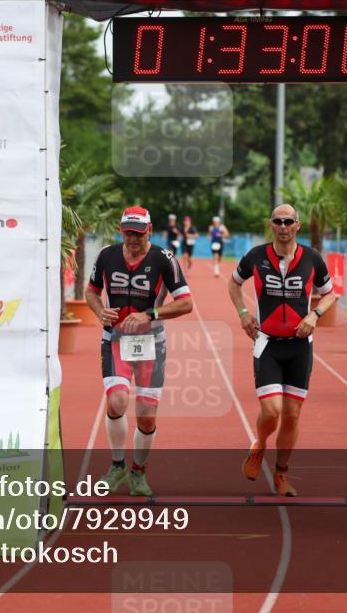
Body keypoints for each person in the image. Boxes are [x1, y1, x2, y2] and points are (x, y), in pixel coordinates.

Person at [228, 205, 337, 496]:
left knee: (291, 415)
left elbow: (330, 294)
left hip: (300, 347)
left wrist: (314, 315)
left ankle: (281, 473)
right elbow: (233, 284)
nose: (283, 226)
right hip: (268, 344)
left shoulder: (312, 258)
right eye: (278, 221)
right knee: (272, 410)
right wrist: (243, 313)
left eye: (289, 221)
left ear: (297, 225)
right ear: (271, 224)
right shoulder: (256, 256)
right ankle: (260, 445)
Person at [86, 206, 194, 496]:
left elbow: (186, 303)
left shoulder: (164, 259)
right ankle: (117, 465)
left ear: (150, 230)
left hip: (151, 343)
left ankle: (138, 471)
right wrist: (100, 311)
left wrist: (151, 314)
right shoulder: (107, 255)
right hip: (115, 340)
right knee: (117, 400)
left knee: (146, 416)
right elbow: (91, 291)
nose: (133, 239)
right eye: (128, 233)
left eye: (139, 233)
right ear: (121, 231)